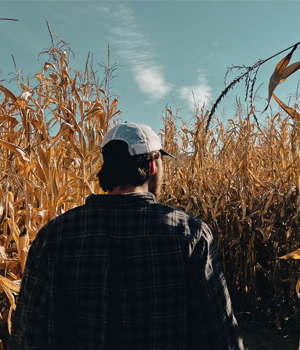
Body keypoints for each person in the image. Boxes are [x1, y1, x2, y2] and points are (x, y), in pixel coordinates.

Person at [9, 122, 244, 350]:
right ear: (152, 165)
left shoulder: (52, 238)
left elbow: (28, 338)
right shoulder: (191, 235)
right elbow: (220, 337)